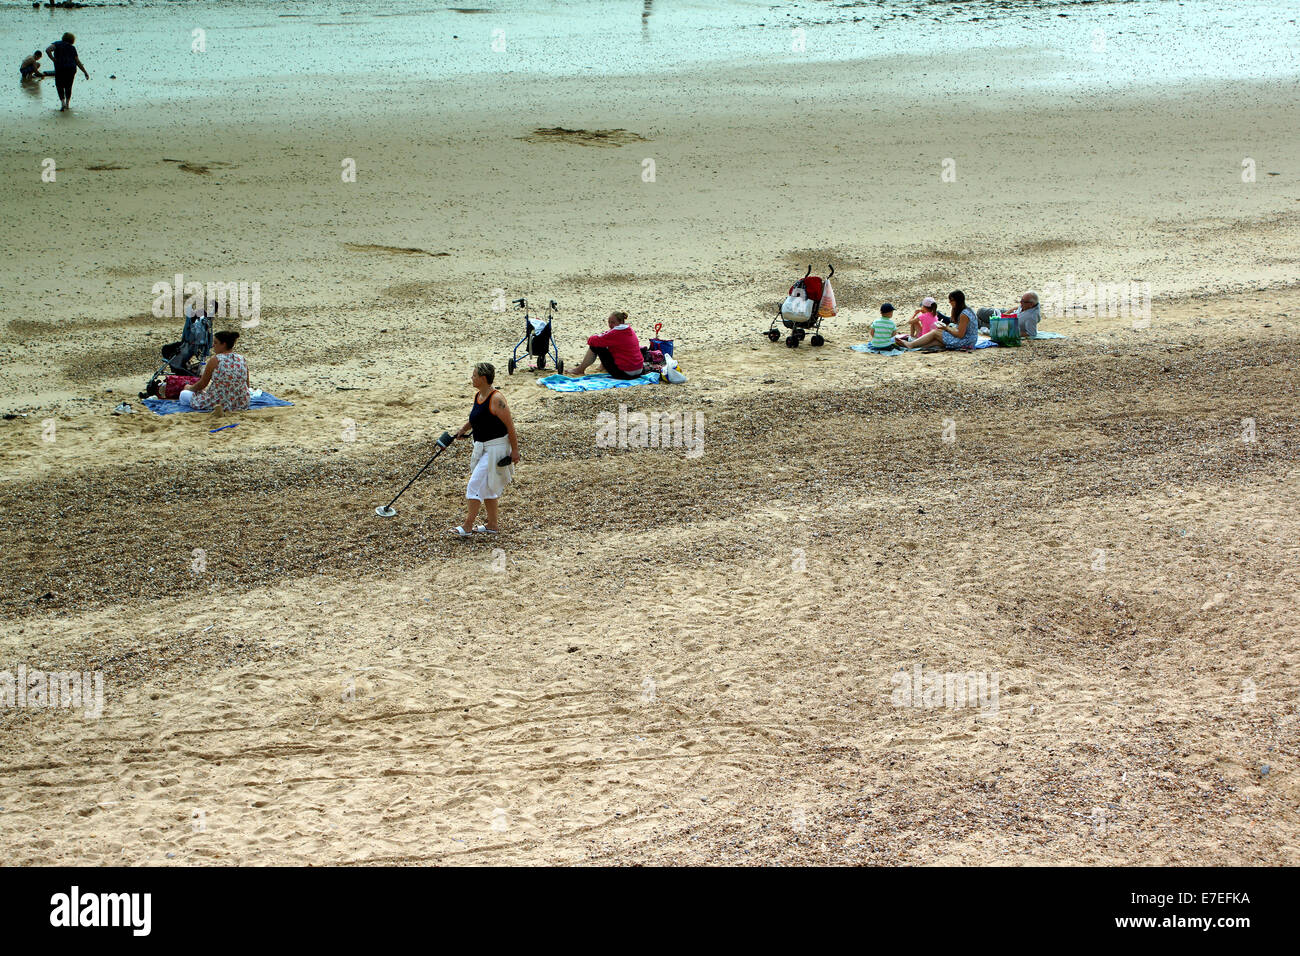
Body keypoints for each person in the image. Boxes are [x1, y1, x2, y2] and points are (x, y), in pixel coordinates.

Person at [450, 363, 520, 538]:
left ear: (483, 378)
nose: (471, 378)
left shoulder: (497, 399)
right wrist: (463, 429)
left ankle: (467, 526)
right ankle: (492, 524)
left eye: (474, 375)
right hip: (482, 447)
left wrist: (515, 451)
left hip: (496, 448)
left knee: (474, 485)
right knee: (489, 487)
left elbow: (510, 427)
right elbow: (476, 418)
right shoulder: (479, 396)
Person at [179, 331, 251, 411]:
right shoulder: (241, 359)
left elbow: (202, 384)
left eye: (216, 343)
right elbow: (247, 385)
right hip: (241, 402)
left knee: (183, 394)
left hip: (219, 402)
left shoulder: (215, 360)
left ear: (223, 344)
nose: (213, 345)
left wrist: (189, 388)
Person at [569, 311, 646, 378]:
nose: (610, 325)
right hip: (639, 371)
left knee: (595, 346)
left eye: (613, 322)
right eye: (609, 322)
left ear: (621, 322)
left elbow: (592, 341)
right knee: (608, 345)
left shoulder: (616, 333)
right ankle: (601, 367)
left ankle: (580, 369)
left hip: (626, 373)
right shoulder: (629, 330)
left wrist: (601, 335)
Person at [898, 290, 979, 351]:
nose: (949, 302)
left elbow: (960, 334)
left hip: (967, 342)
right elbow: (955, 323)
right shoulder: (966, 310)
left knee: (935, 332)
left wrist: (946, 328)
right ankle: (916, 346)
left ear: (957, 301)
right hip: (968, 339)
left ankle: (911, 345)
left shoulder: (964, 315)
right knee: (937, 341)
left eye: (951, 300)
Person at [45, 33, 88, 111]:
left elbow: (48, 50)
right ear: (72, 40)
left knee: (59, 85)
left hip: (60, 68)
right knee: (68, 86)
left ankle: (62, 103)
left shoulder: (57, 44)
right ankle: (68, 104)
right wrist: (85, 72)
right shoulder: (72, 48)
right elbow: (77, 61)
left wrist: (53, 59)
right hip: (71, 69)